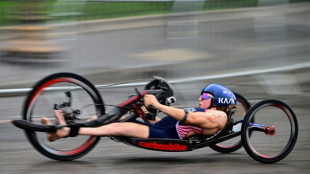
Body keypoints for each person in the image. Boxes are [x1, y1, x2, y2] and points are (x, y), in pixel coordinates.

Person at [41, 83, 237, 142]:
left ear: (218, 100)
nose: (200, 99)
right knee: (102, 119)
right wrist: (146, 113)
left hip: (165, 136)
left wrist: (157, 105)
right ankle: (61, 130)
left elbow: (191, 118)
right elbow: (165, 123)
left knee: (116, 126)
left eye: (205, 96)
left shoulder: (219, 116)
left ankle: (63, 131)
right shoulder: (208, 112)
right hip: (160, 129)